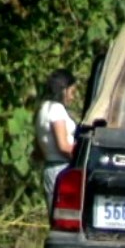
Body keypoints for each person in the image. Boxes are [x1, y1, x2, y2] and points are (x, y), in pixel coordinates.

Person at [34, 68, 78, 212]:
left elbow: (38, 150)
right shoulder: (57, 109)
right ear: (63, 90)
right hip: (62, 168)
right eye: (72, 92)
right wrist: (82, 157)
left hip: (50, 168)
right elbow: (64, 146)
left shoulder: (43, 108)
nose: (73, 97)